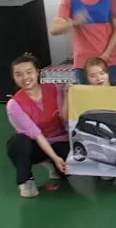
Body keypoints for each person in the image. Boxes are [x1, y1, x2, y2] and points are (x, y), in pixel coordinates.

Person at [5, 54, 68, 198]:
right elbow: (37, 134)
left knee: (67, 172)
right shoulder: (14, 105)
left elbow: (66, 118)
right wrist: (55, 157)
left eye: (29, 72)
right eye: (19, 74)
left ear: (37, 72)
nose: (25, 77)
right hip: (36, 145)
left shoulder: (56, 89)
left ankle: (52, 164)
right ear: (13, 77)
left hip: (59, 141)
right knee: (18, 142)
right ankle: (26, 181)